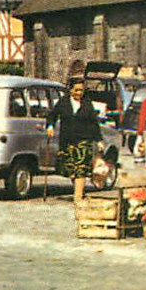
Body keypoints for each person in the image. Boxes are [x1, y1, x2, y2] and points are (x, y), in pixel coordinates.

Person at [51, 76, 102, 204]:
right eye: (76, 90)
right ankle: (80, 190)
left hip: (84, 140)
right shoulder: (63, 102)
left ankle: (78, 197)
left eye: (81, 90)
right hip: (67, 140)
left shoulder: (87, 103)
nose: (79, 93)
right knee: (70, 169)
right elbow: (52, 115)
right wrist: (49, 126)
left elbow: (94, 123)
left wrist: (99, 140)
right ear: (70, 90)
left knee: (81, 168)